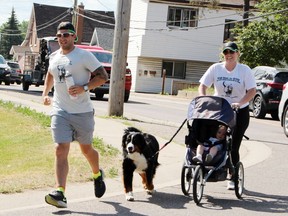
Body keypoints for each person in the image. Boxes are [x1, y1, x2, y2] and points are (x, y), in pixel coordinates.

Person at [42, 22, 109, 208]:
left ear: (74, 37)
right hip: (60, 111)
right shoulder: (54, 57)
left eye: (66, 34)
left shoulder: (84, 55)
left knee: (86, 150)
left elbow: (103, 76)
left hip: (82, 112)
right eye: (59, 35)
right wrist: (45, 93)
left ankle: (97, 174)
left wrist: (84, 88)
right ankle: (60, 193)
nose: (62, 38)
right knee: (60, 148)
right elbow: (50, 73)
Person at [198, 41, 256, 190]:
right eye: (226, 53)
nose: (229, 55)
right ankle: (207, 165)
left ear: (237, 53)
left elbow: (252, 91)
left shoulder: (244, 70)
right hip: (220, 110)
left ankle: (233, 176)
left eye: (232, 52)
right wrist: (204, 99)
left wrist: (240, 102)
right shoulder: (216, 68)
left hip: (239, 111)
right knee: (211, 139)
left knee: (233, 146)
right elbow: (203, 86)